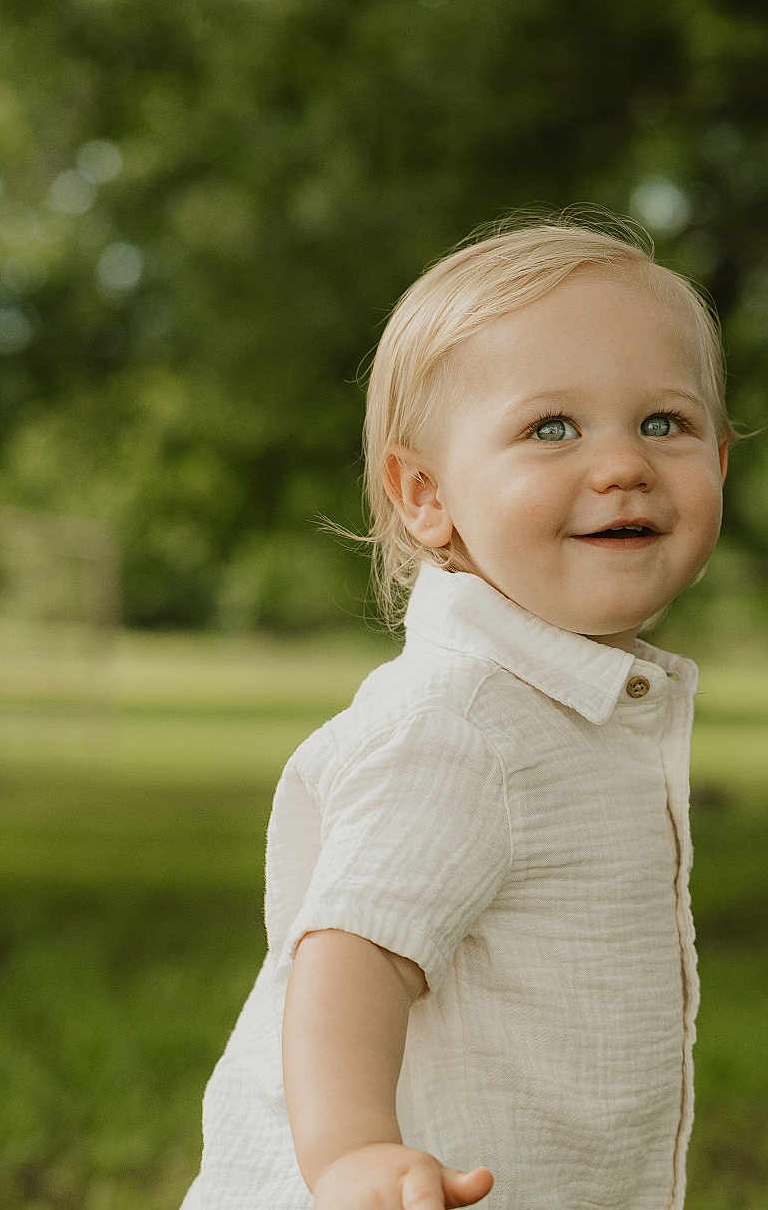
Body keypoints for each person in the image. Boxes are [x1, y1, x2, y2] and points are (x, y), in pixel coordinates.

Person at [180, 213, 735, 1210]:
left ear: (720, 462)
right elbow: (352, 951)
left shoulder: (566, 708)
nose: (621, 463)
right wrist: (351, 1153)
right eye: (549, 428)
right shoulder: (458, 723)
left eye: (663, 422)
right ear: (425, 494)